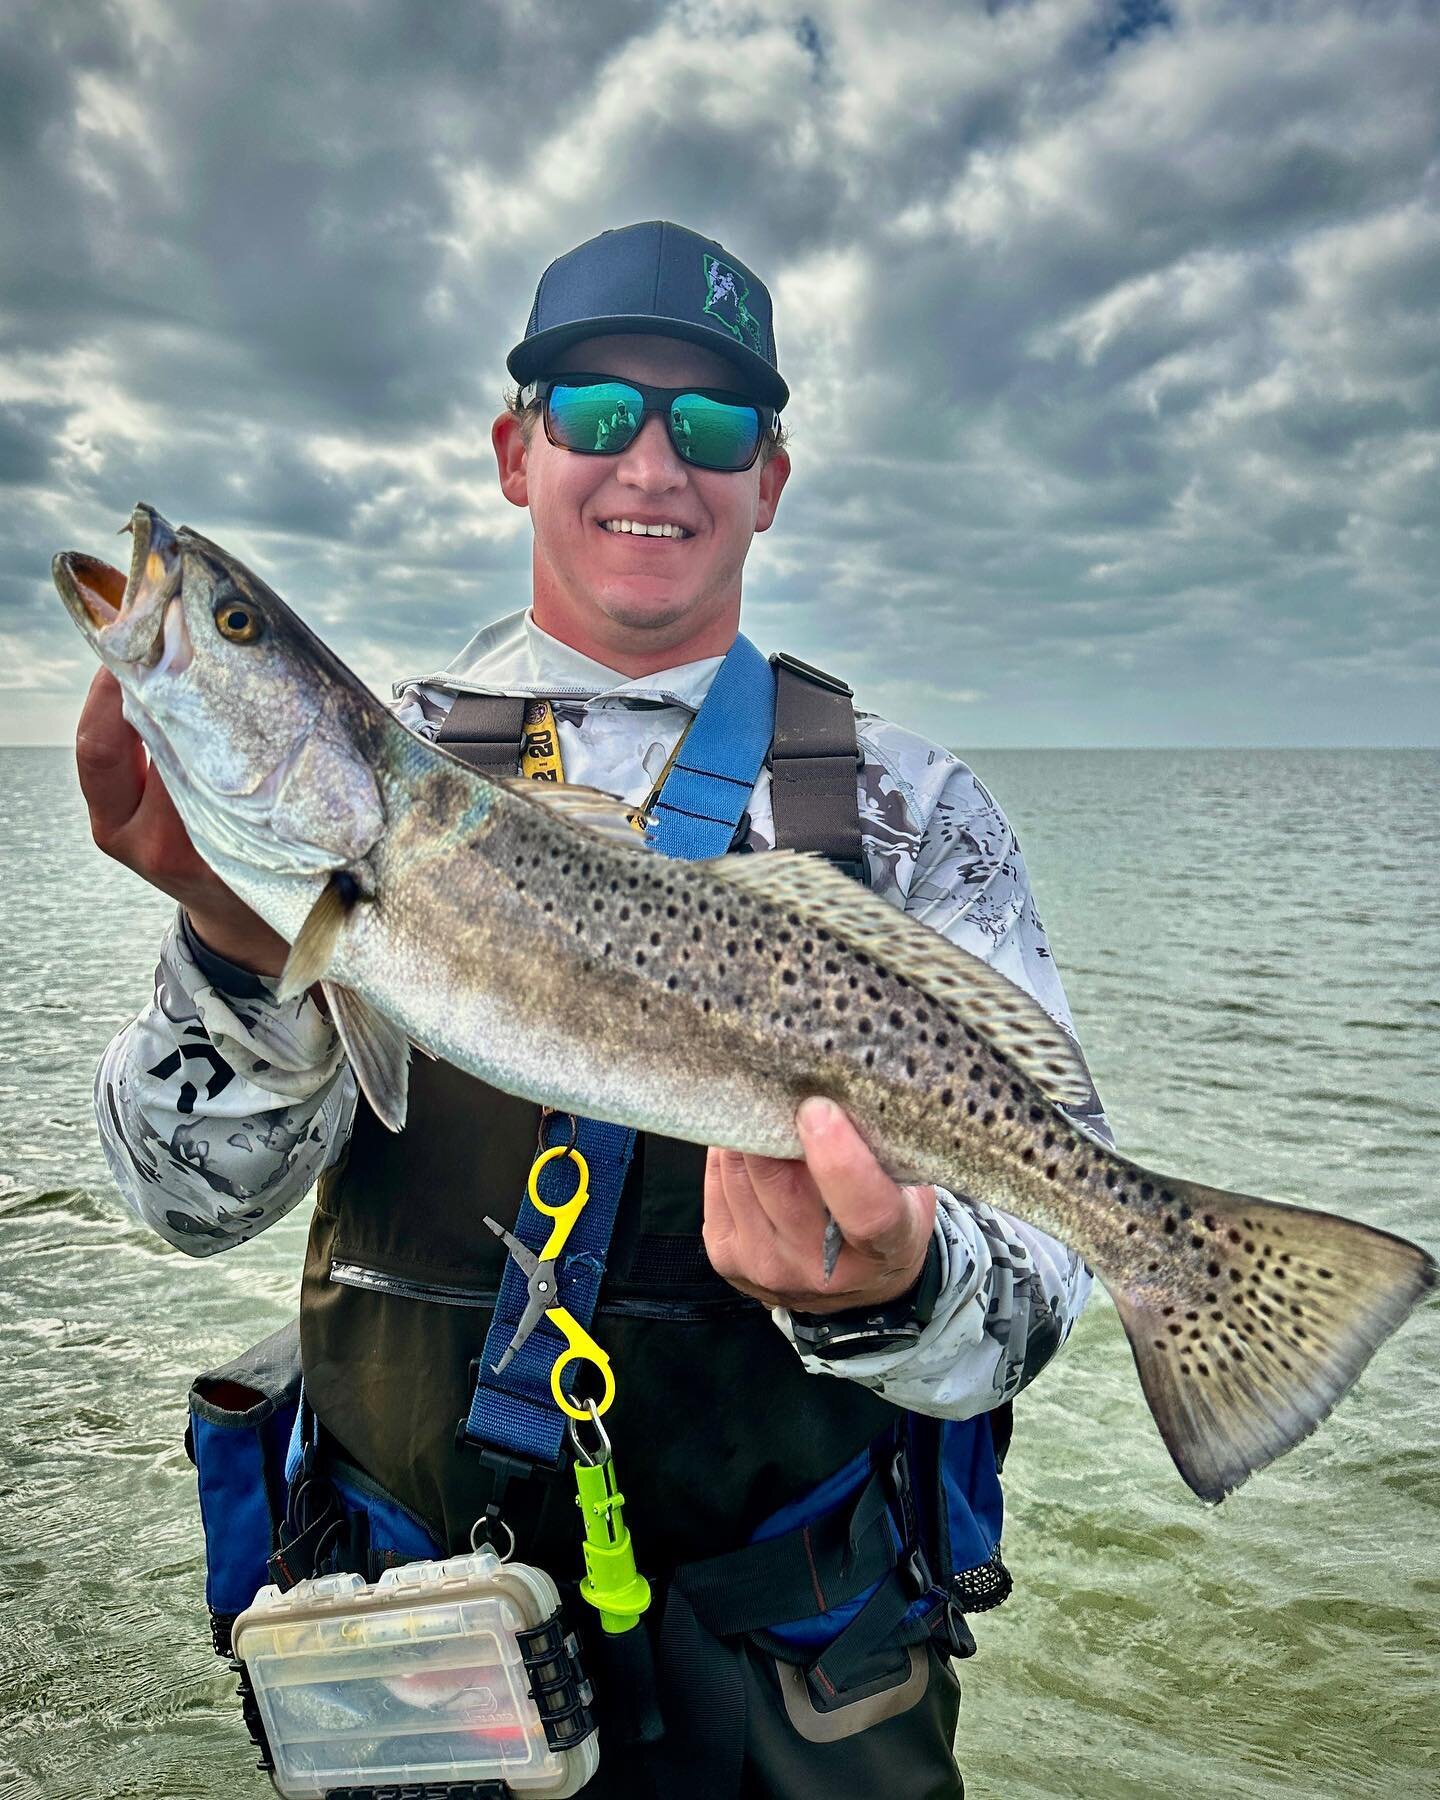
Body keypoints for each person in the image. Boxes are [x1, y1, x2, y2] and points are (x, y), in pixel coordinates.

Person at [77, 220, 1111, 1798]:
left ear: (767, 479)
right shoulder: (380, 768)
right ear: (516, 449)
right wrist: (227, 933)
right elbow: (183, 1200)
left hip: (790, 1682)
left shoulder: (905, 809)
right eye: (595, 409)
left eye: (709, 425)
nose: (654, 460)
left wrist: (891, 1285)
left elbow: (1050, 1278)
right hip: (417, 1656)